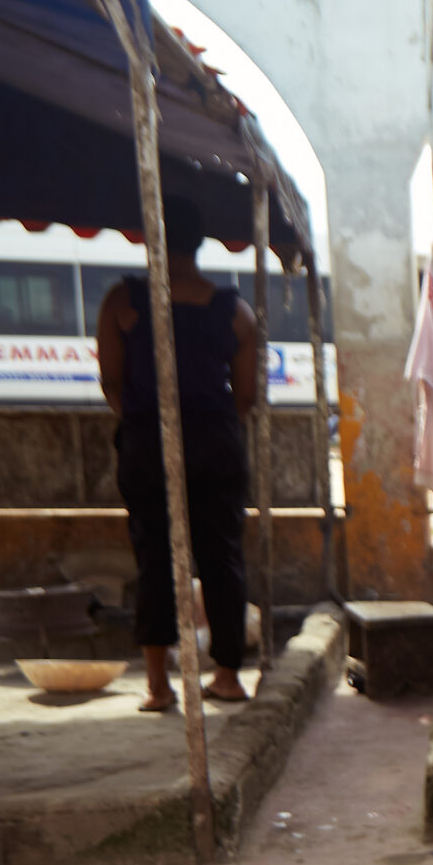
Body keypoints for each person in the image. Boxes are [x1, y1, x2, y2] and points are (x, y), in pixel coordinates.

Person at [95, 195, 261, 711]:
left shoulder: (122, 303)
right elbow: (247, 397)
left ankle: (157, 685)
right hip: (215, 443)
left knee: (155, 558)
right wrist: (205, 423)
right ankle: (228, 676)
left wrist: (150, 424)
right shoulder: (235, 312)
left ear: (151, 240)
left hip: (148, 442)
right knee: (222, 558)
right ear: (202, 242)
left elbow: (111, 382)